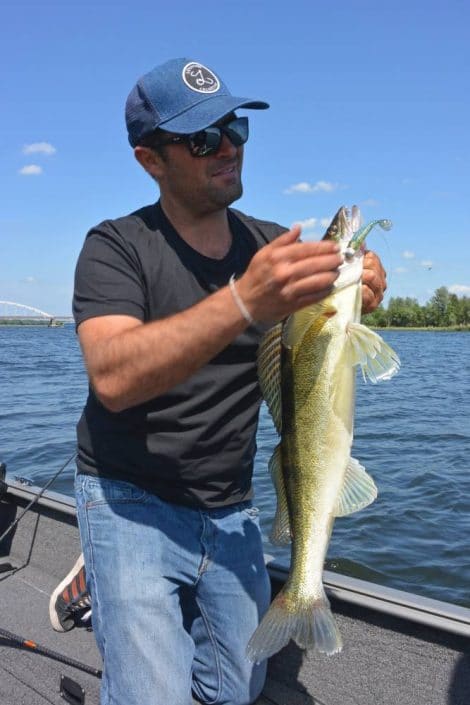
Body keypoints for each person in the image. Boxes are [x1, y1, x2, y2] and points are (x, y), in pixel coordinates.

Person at [52, 58, 387, 705]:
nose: (228, 146)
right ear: (151, 160)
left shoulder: (270, 248)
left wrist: (364, 288)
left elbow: (335, 317)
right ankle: (103, 567)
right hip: (130, 501)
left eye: (234, 128)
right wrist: (243, 301)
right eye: (203, 138)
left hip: (232, 508)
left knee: (235, 691)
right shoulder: (116, 247)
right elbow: (114, 375)